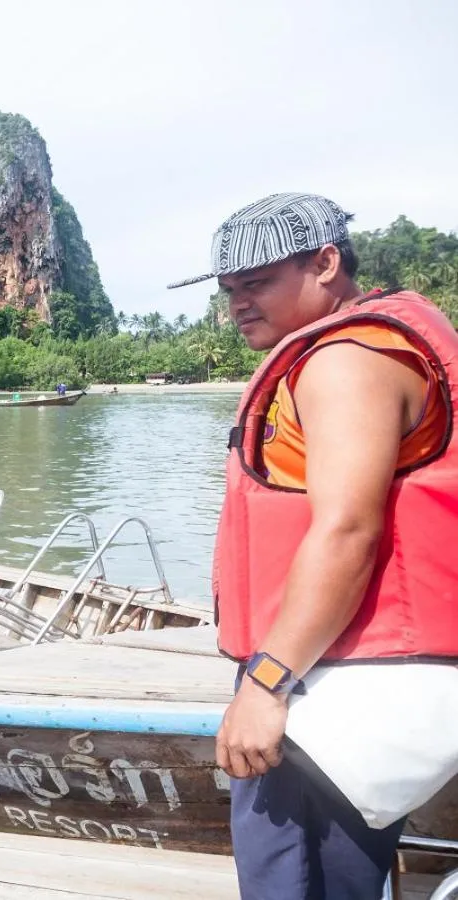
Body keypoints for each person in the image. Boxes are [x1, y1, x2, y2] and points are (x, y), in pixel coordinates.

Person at [167, 192, 458, 899]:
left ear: (327, 263)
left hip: (324, 682)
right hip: (353, 668)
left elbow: (348, 531)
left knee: (297, 881)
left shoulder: (346, 362)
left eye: (258, 282)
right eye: (229, 290)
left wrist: (267, 686)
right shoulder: (385, 338)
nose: (237, 304)